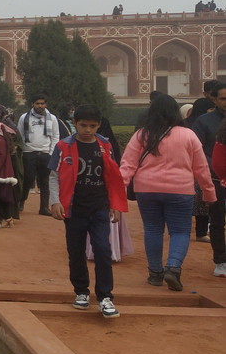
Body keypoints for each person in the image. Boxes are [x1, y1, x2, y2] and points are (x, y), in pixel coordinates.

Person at [120, 94, 215, 291]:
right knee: (180, 231)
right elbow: (201, 168)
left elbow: (127, 164)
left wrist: (119, 190)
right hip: (180, 190)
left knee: (153, 230)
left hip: (146, 190)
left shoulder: (142, 134)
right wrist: (209, 193)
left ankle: (155, 273)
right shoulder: (188, 135)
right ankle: (173, 267)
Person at [48, 104, 127, 319]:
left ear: (99, 125)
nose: (88, 130)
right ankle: (81, 292)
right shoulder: (63, 146)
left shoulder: (105, 145)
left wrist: (116, 205)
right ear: (74, 124)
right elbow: (54, 175)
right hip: (74, 209)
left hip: (99, 207)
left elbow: (112, 176)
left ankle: (105, 297)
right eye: (83, 125)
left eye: (93, 126)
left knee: (102, 250)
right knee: (76, 252)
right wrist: (55, 201)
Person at [186, 82, 226, 277]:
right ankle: (220, 261)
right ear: (214, 99)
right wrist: (213, 167)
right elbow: (196, 149)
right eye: (223, 99)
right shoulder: (204, 121)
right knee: (217, 221)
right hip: (215, 179)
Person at [17, 95, 60, 216]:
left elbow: (56, 136)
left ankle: (44, 208)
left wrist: (52, 153)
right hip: (29, 153)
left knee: (45, 182)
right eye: (37, 103)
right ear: (32, 104)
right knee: (28, 180)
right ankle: (21, 201)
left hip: (45, 154)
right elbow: (19, 135)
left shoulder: (52, 118)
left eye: (42, 103)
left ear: (46, 105)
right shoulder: (24, 118)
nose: (40, 106)